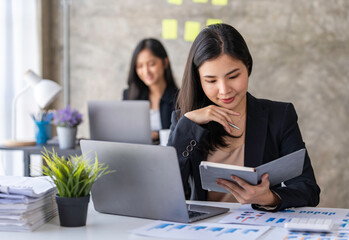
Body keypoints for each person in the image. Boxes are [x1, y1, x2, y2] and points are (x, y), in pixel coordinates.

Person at [168, 24, 320, 211]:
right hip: (203, 229)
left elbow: (309, 189)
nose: (224, 90)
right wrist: (188, 126)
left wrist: (270, 198)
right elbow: (168, 191)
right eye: (211, 81)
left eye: (233, 76)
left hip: (260, 227)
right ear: (198, 80)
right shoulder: (185, 120)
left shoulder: (280, 116)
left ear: (247, 66)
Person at [123, 38, 178, 142]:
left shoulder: (180, 98)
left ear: (165, 63)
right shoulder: (129, 96)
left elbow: (181, 135)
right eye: (140, 66)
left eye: (151, 64)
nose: (146, 71)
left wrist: (157, 135)